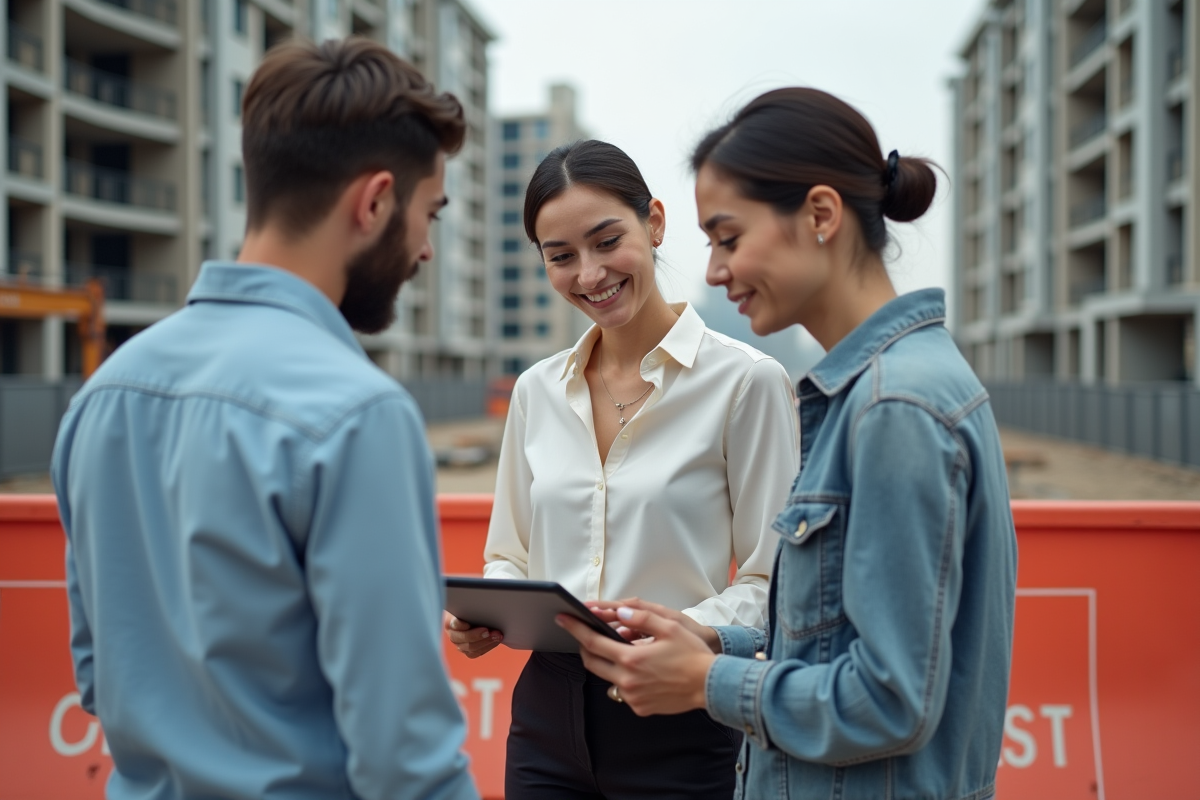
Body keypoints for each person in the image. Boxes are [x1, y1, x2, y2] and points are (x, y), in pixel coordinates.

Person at [560, 89, 1018, 800]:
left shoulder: (896, 406)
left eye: (729, 238)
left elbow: (891, 701)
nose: (712, 270)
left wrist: (708, 681)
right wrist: (714, 642)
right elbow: (840, 649)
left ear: (821, 215)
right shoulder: (885, 390)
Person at [52, 38, 479, 800]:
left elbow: (98, 676)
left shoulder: (103, 395)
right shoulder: (358, 413)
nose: (425, 250)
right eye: (429, 214)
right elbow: (404, 757)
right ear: (375, 200)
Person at [444, 139, 799, 799]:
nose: (589, 274)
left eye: (607, 241)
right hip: (546, 714)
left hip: (680, 710)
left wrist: (686, 630)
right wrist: (487, 609)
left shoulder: (746, 383)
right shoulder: (536, 391)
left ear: (655, 222)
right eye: (561, 256)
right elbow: (509, 553)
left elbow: (771, 578)